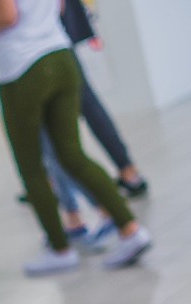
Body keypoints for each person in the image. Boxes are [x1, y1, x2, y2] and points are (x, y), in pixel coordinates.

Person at [0, 0, 152, 276]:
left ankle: (60, 249)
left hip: (23, 68)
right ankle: (130, 229)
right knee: (73, 155)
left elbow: (7, 15)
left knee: (32, 168)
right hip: (61, 55)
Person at [60, 0, 148, 196]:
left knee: (83, 101)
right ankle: (128, 171)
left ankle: (127, 172)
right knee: (85, 100)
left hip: (44, 41)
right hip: (50, 36)